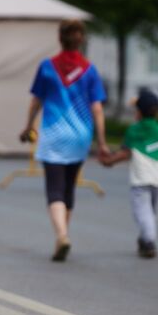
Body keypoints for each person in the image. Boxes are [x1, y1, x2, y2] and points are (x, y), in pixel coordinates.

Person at [20, 19, 108, 262]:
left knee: (54, 188)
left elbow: (36, 101)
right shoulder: (89, 71)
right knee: (69, 187)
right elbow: (98, 108)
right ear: (81, 40)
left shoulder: (47, 67)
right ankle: (63, 234)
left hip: (53, 135)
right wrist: (101, 142)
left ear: (60, 38)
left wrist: (27, 127)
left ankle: (61, 235)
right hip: (80, 136)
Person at [101, 90, 158, 258]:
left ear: (138, 112)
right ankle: (144, 239)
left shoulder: (134, 131)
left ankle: (149, 241)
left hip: (140, 179)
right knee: (150, 212)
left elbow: (124, 153)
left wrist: (109, 162)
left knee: (142, 212)